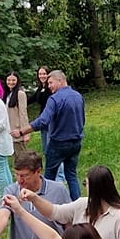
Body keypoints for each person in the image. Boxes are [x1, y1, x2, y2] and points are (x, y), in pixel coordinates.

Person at [28, 164, 120, 239]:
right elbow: (54, 212)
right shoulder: (81, 204)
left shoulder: (119, 217)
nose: (85, 187)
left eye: (86, 183)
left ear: (94, 187)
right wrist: (34, 198)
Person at [32, 69, 87, 199]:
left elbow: (43, 121)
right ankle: (77, 203)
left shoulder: (54, 99)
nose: (49, 86)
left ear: (60, 80)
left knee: (49, 176)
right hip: (76, 141)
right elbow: (82, 119)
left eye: (51, 83)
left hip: (58, 143)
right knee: (71, 175)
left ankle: (47, 203)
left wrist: (24, 130)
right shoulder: (78, 96)